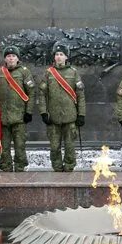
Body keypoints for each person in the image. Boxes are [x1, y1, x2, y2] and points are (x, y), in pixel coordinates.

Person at [38, 43, 85, 172]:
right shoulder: (48, 74)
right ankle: (57, 167)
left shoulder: (73, 73)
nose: (58, 57)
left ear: (66, 57)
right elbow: (42, 94)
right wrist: (43, 112)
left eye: (61, 54)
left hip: (70, 116)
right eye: (56, 54)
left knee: (70, 146)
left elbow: (80, 95)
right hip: (53, 117)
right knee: (54, 146)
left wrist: (81, 114)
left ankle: (69, 167)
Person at [0, 46, 35, 172]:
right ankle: (5, 166)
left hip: (19, 116)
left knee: (20, 145)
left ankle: (20, 166)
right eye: (8, 56)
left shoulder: (24, 72)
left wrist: (28, 112)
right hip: (3, 117)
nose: (11, 58)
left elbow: (31, 93)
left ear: (17, 58)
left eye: (13, 56)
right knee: (4, 145)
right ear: (5, 59)